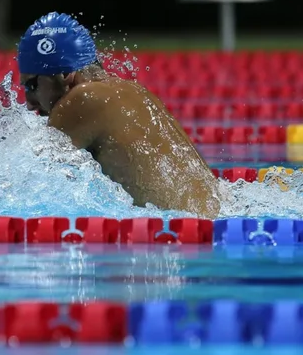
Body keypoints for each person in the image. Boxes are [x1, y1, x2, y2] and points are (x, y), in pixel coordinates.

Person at [16, 12, 221, 219]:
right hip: (215, 221)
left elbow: (21, 183)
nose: (29, 102)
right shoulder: (133, 91)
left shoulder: (83, 99)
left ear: (64, 74)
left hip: (184, 233)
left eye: (32, 85)